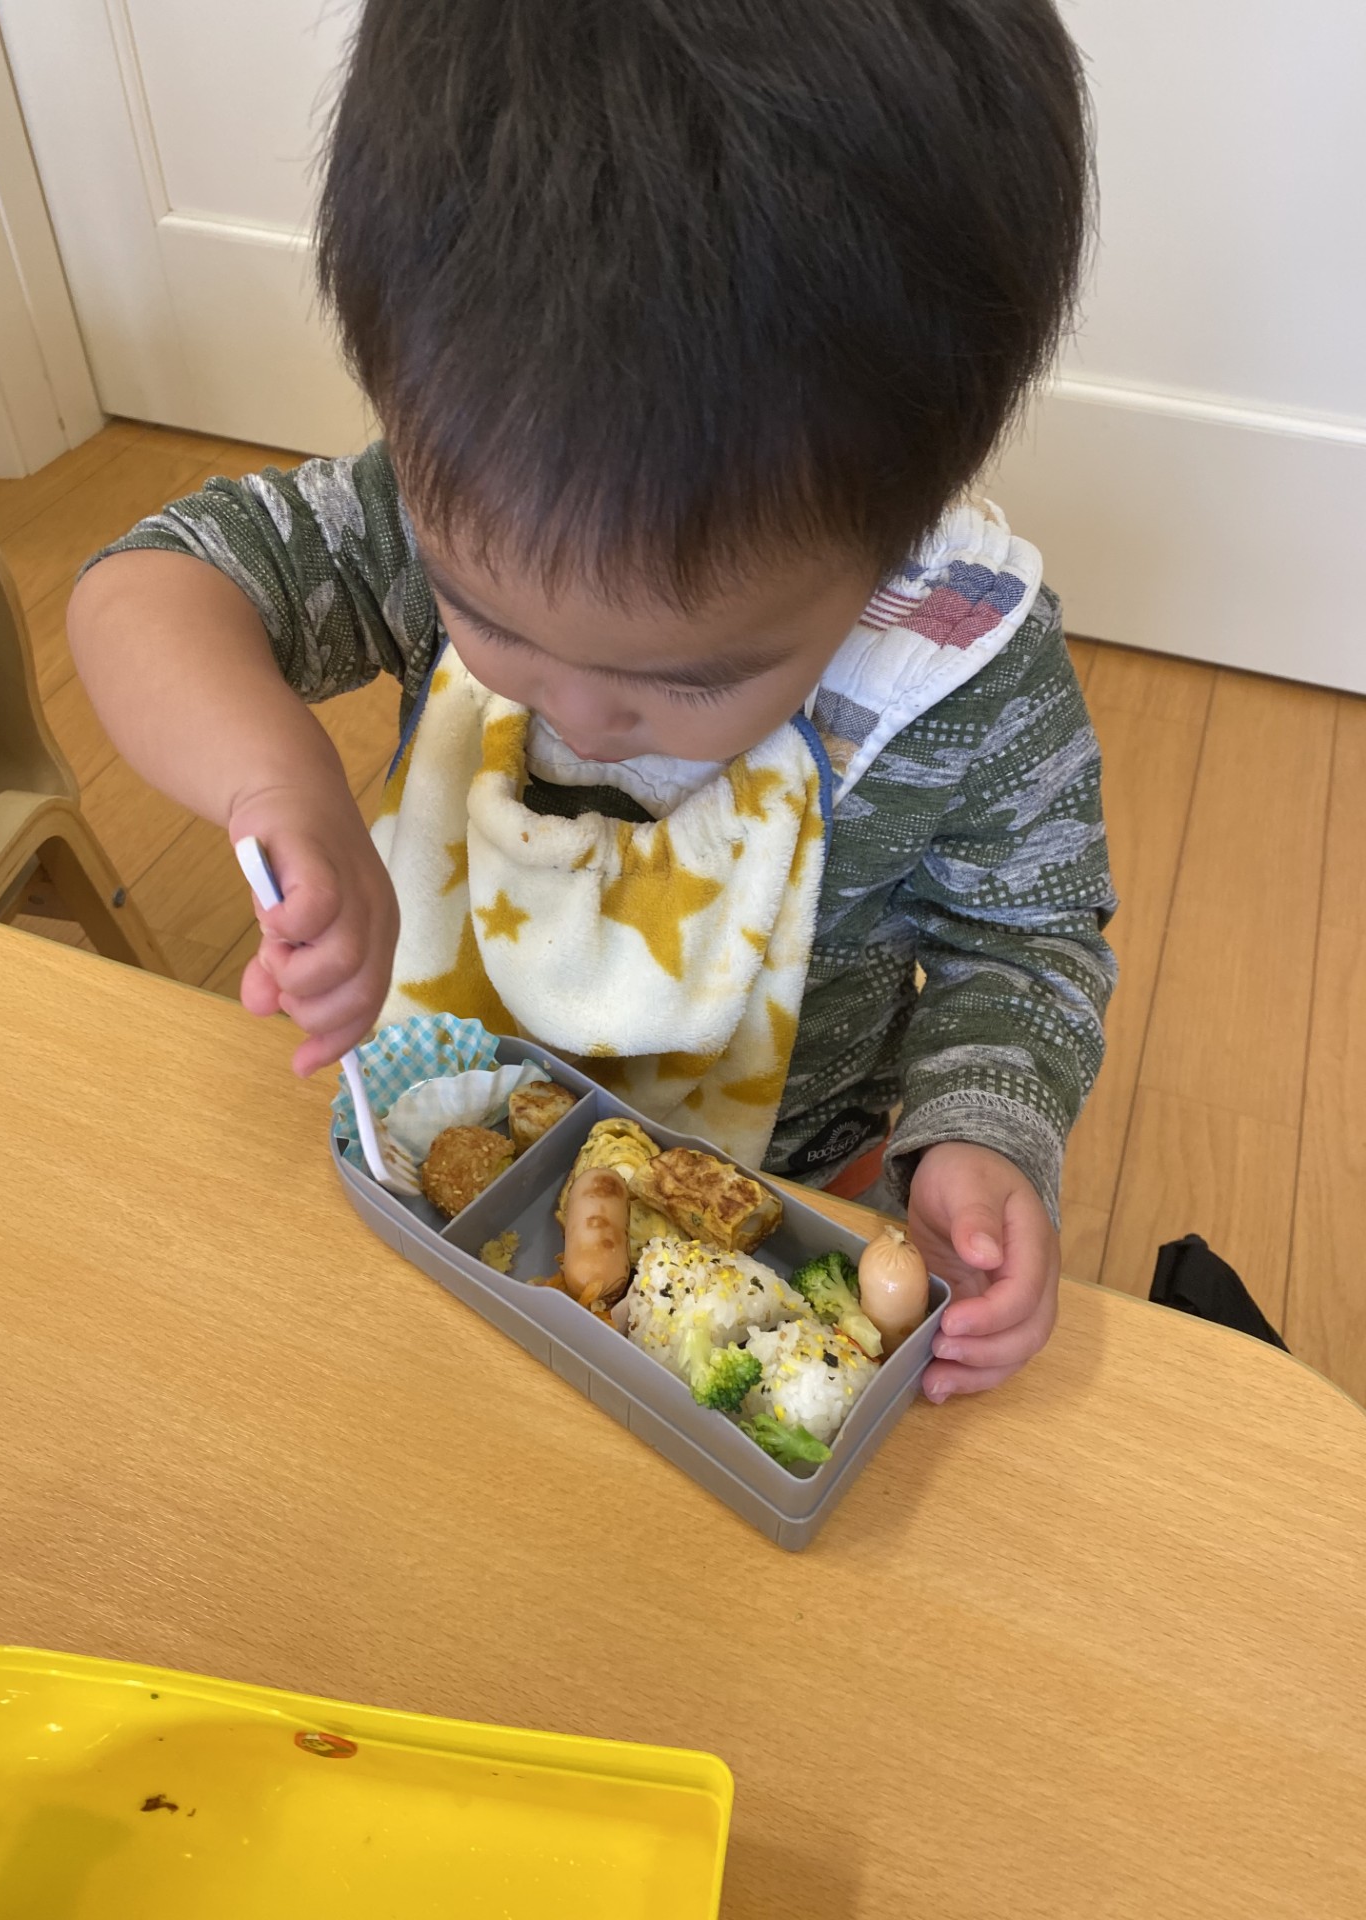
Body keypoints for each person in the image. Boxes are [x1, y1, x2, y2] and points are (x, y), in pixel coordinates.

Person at [68, 0, 1115, 1403]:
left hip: (785, 1200)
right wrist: (278, 784)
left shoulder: (962, 673)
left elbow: (1025, 946)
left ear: (892, 542)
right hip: (436, 1149)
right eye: (489, 619)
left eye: (691, 676)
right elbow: (145, 591)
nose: (576, 708)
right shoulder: (463, 485)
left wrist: (979, 1133)